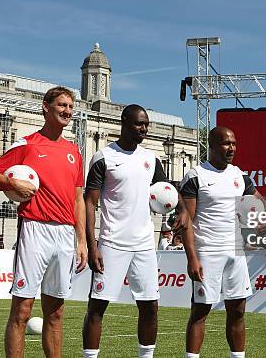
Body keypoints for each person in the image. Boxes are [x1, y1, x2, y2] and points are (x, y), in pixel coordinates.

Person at [0, 86, 87, 358]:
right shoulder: (26, 144)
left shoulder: (74, 151)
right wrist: (11, 182)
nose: (67, 111)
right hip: (34, 228)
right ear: (45, 107)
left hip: (65, 234)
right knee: (22, 309)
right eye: (62, 105)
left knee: (56, 312)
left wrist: (82, 240)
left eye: (70, 107)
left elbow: (78, 200)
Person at [82, 104, 187, 358]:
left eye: (146, 124)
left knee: (150, 306)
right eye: (139, 123)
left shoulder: (150, 159)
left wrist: (182, 209)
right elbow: (89, 202)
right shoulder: (103, 157)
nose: (144, 128)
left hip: (143, 245)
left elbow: (167, 190)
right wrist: (92, 244)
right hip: (111, 243)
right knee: (97, 307)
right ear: (124, 122)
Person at [180, 126, 266, 358]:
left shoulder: (239, 176)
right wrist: (192, 258)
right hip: (207, 252)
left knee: (238, 311)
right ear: (212, 145)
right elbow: (185, 221)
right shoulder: (196, 175)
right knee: (200, 311)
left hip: (236, 252)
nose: (232, 148)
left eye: (234, 144)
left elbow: (260, 203)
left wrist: (262, 217)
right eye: (226, 143)